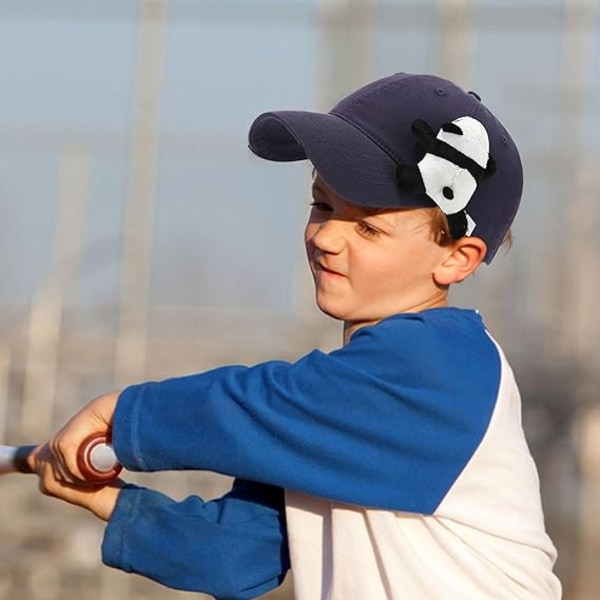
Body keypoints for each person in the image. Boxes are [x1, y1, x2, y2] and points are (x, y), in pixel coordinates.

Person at [29, 72, 562, 599]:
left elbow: (267, 406)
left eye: (369, 227)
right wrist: (105, 497)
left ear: (456, 258)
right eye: (323, 205)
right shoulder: (335, 425)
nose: (327, 236)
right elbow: (232, 555)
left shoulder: (442, 363)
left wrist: (124, 416)